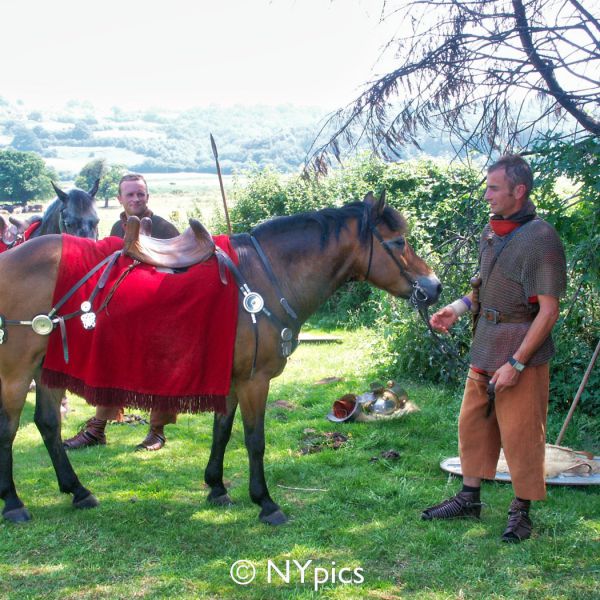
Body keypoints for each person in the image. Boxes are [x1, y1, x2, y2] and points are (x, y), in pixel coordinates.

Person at [421, 155, 566, 543]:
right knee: (472, 425)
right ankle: (469, 498)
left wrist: (517, 363)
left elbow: (548, 311)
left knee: (521, 433)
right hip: (485, 343)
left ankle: (521, 512)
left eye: (493, 188)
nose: (486, 196)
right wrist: (456, 308)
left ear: (519, 191)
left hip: (523, 349)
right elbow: (483, 287)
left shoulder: (542, 239)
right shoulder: (492, 232)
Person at [63, 173, 180, 452]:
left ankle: (156, 431)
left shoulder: (165, 228)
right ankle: (97, 429)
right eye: (130, 194)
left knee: (159, 369)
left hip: (157, 315)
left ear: (147, 196)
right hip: (121, 313)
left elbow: (180, 271)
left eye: (140, 193)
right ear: (120, 199)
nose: (136, 198)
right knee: (110, 365)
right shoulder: (116, 227)